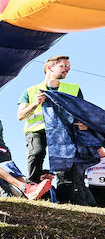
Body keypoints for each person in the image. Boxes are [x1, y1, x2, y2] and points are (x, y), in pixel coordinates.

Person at [17, 55, 84, 183]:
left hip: (62, 131)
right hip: (37, 130)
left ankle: (64, 194)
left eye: (69, 66)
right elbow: (20, 116)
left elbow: (83, 111)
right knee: (37, 152)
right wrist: (35, 104)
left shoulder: (74, 89)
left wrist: (83, 124)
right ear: (49, 67)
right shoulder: (30, 91)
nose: (67, 69)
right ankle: (32, 185)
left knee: (64, 163)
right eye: (63, 66)